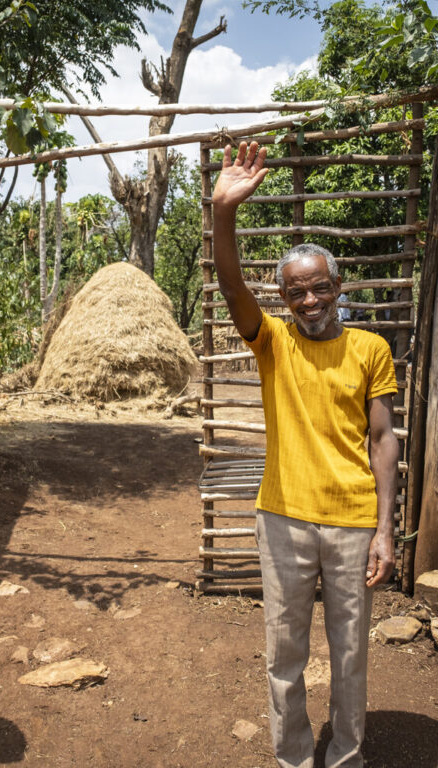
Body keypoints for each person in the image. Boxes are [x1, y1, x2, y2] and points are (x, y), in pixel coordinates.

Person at [211, 142, 398, 768]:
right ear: (284, 298)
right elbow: (232, 283)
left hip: (351, 521)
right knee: (283, 653)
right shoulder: (272, 343)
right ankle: (293, 758)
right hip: (284, 518)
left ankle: (345, 756)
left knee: (349, 654)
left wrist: (385, 532)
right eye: (296, 293)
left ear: (338, 286)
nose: (310, 302)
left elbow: (382, 441)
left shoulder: (371, 349)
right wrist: (223, 215)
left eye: (319, 289)